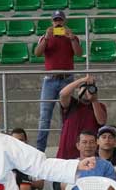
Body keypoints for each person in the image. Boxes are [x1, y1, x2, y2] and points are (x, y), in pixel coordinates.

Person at [35, 9, 82, 154]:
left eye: (60, 20)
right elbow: (37, 53)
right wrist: (46, 38)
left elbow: (79, 53)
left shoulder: (72, 37)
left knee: (66, 116)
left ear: (64, 21)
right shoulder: (45, 37)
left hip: (67, 79)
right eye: (56, 20)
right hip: (50, 79)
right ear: (52, 22)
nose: (58, 23)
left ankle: (65, 150)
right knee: (45, 116)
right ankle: (39, 151)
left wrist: (72, 38)